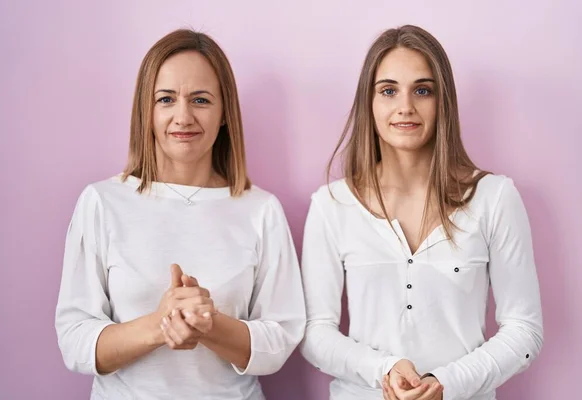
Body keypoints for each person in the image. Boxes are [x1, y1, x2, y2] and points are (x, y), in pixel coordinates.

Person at [55, 29, 306, 400]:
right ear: (147, 110)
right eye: (166, 99)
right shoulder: (101, 202)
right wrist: (162, 324)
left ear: (224, 114)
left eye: (201, 100)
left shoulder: (261, 210)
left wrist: (209, 325)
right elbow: (75, 340)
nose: (183, 116)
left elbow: (280, 339)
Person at [299, 25, 543, 400]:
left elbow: (524, 330)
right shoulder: (332, 205)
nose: (405, 106)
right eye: (389, 90)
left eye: (423, 90)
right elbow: (316, 334)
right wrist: (384, 370)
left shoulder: (495, 198)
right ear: (370, 102)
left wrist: (448, 382)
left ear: (442, 101)